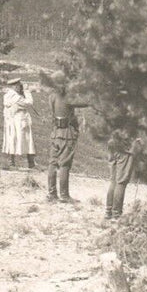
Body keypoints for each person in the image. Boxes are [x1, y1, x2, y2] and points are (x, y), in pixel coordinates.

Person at [44, 73, 89, 202]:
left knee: (52, 163)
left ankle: (52, 194)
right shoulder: (67, 97)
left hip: (56, 132)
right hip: (66, 134)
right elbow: (86, 102)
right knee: (64, 164)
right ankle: (64, 196)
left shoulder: (52, 96)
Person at [1, 78, 36, 169]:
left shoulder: (7, 95)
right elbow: (29, 103)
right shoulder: (17, 97)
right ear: (15, 86)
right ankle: (31, 163)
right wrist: (27, 91)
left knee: (11, 140)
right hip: (20, 120)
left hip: (10, 121)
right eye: (18, 86)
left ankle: (11, 162)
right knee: (28, 140)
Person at [105, 127, 139, 220]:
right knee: (121, 182)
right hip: (125, 145)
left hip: (113, 141)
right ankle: (116, 215)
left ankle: (108, 212)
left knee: (114, 180)